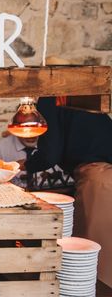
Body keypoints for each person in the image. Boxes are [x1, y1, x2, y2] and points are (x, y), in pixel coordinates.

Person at [24, 96, 112, 287]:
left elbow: (50, 154)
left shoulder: (49, 98)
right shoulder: (85, 93)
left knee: (94, 256)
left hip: (99, 180)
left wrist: (25, 164)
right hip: (103, 175)